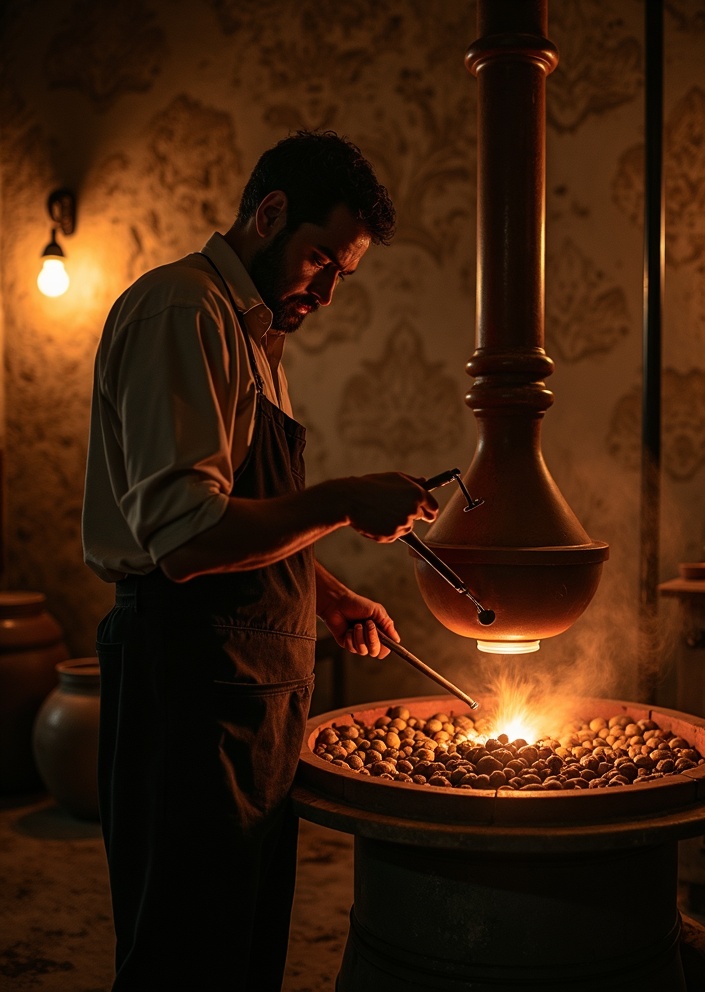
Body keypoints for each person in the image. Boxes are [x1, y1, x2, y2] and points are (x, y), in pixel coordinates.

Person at [82, 129, 439, 992]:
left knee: (241, 945)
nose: (324, 291)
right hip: (189, 681)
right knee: (186, 953)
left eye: (341, 277)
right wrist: (345, 501)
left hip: (250, 691)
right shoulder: (185, 311)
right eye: (319, 260)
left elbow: (241, 517)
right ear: (268, 212)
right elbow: (187, 539)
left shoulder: (254, 341)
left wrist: (328, 595)